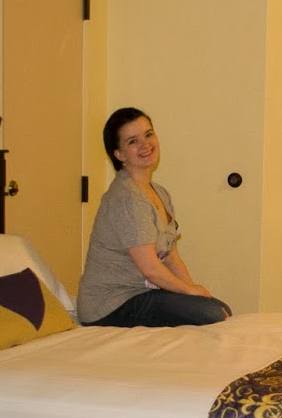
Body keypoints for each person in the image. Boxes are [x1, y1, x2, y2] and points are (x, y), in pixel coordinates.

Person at [77, 107, 232, 327]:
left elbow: (171, 257)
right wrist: (189, 292)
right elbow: (150, 268)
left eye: (148, 134)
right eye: (133, 141)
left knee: (219, 309)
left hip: (140, 293)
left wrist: (193, 291)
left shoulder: (159, 192)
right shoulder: (127, 197)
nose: (145, 145)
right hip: (110, 304)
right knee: (211, 314)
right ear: (119, 154)